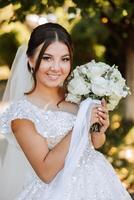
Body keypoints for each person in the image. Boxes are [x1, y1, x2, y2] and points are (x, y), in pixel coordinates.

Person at [0, 23, 132, 200]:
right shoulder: (22, 115)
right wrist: (82, 124)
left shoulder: (77, 94)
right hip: (59, 192)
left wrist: (98, 130)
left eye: (64, 59)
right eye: (47, 58)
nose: (56, 67)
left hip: (100, 182)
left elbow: (96, 143)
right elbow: (46, 172)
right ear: (31, 60)